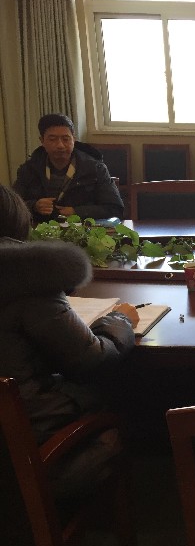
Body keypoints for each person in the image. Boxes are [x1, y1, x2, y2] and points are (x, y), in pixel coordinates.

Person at [0, 184, 138, 499]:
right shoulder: (26, 279)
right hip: (32, 453)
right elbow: (94, 359)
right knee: (120, 390)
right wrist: (119, 321)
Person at [13, 113, 124, 223]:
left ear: (73, 140)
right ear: (42, 141)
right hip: (41, 229)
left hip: (82, 229)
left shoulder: (95, 168)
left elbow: (115, 208)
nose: (60, 145)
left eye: (66, 139)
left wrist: (76, 212)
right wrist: (34, 206)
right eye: (52, 139)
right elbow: (12, 205)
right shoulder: (29, 168)